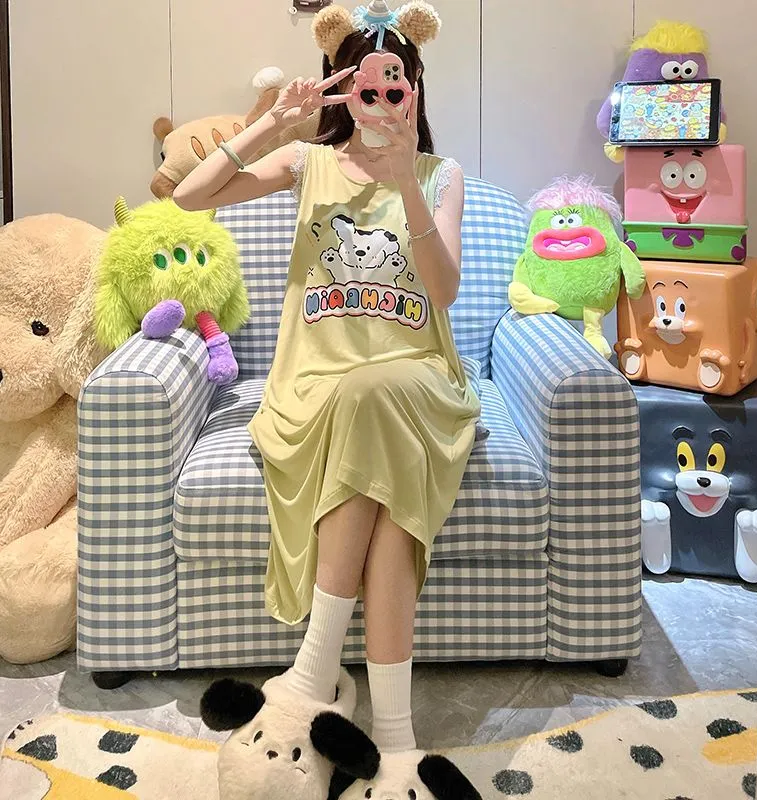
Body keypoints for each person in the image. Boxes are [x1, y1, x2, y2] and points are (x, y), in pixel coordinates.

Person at [174, 0, 479, 759]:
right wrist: (274, 126)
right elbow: (189, 196)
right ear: (341, 89)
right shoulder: (307, 164)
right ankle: (397, 738)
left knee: (375, 394)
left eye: (394, 86)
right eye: (363, 88)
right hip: (316, 383)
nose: (379, 102)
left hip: (418, 376)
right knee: (387, 488)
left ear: (414, 89)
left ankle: (315, 670)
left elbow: (443, 291)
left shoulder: (441, 175)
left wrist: (407, 180)